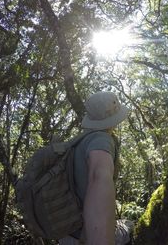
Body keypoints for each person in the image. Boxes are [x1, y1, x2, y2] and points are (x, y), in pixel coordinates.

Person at [59, 91, 132, 245]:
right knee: (130, 225)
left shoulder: (80, 141)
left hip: (68, 233)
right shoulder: (102, 139)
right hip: (86, 236)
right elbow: (98, 177)